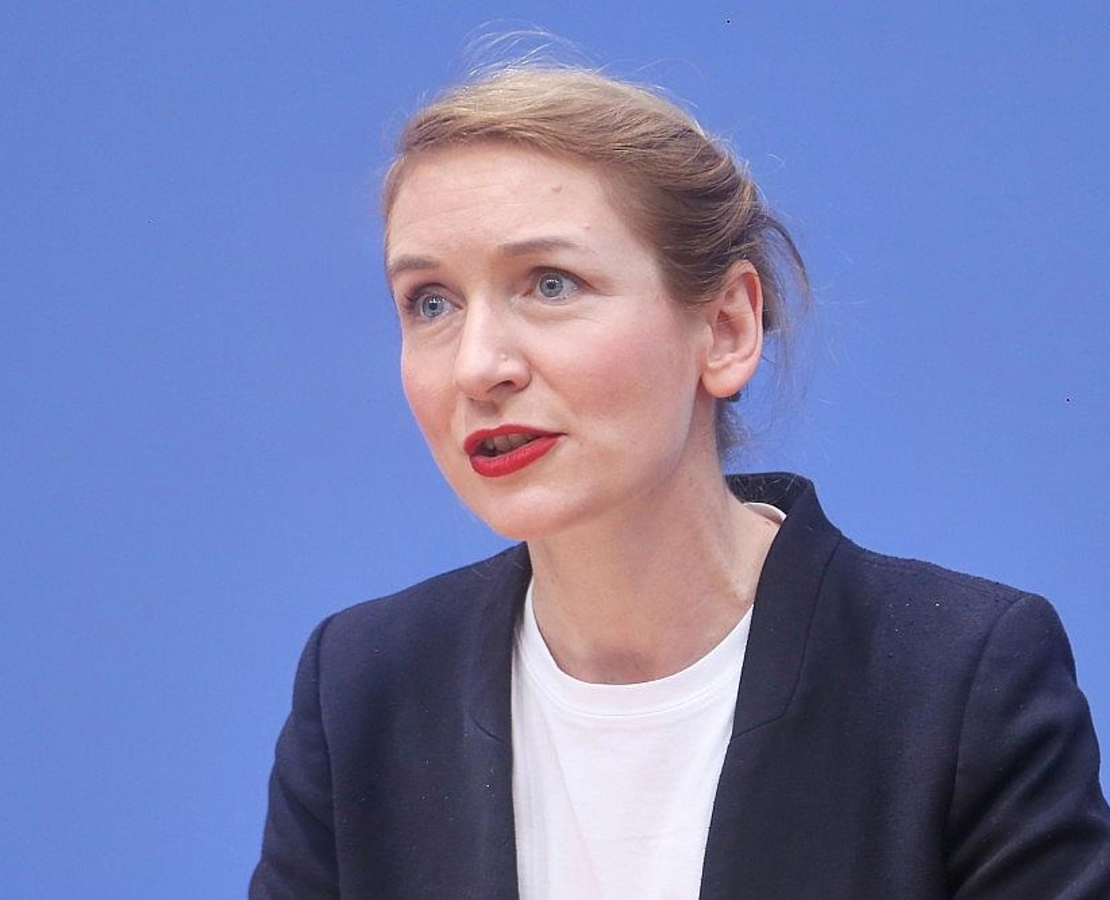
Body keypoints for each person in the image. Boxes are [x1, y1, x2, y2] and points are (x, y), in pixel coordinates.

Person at [250, 63, 1110, 899]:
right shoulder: (363, 688)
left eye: (550, 284)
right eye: (431, 302)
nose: (478, 366)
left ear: (727, 329)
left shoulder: (956, 679)